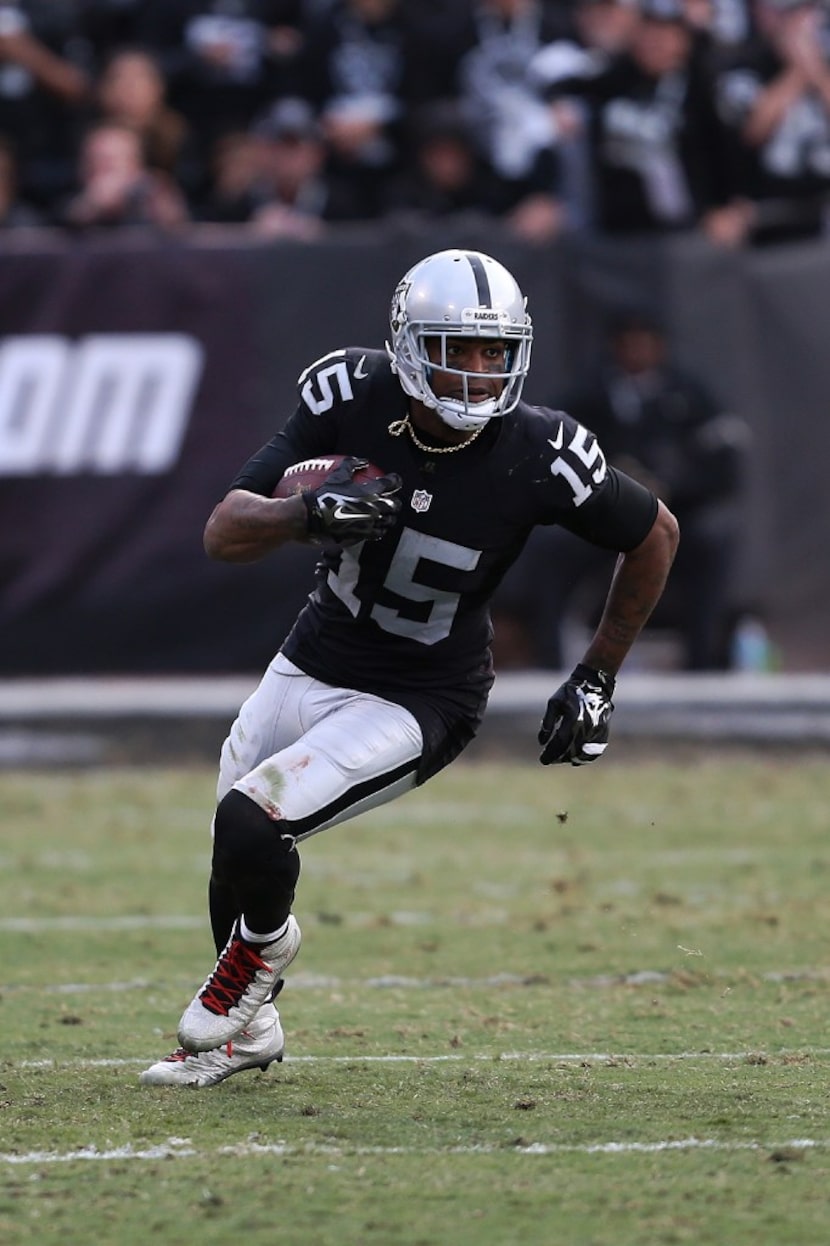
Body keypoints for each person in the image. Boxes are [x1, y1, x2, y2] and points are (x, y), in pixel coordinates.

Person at [139, 248, 678, 1088]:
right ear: (406, 343)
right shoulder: (349, 394)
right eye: (455, 349)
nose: (475, 373)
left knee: (256, 821)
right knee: (234, 840)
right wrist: (303, 514)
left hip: (422, 695)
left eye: (492, 352)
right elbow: (223, 530)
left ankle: (266, 951)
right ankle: (253, 1034)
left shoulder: (540, 449)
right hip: (313, 652)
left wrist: (598, 675)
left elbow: (656, 534)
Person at [494, 305, 747, 670]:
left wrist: (669, 486)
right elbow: (550, 456)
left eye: (645, 342)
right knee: (550, 546)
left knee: (715, 538)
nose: (637, 350)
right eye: (628, 342)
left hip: (675, 517)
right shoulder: (588, 394)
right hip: (598, 517)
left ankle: (701, 660)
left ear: (660, 346)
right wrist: (607, 481)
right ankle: (549, 658)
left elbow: (723, 465)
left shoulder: (690, 395)